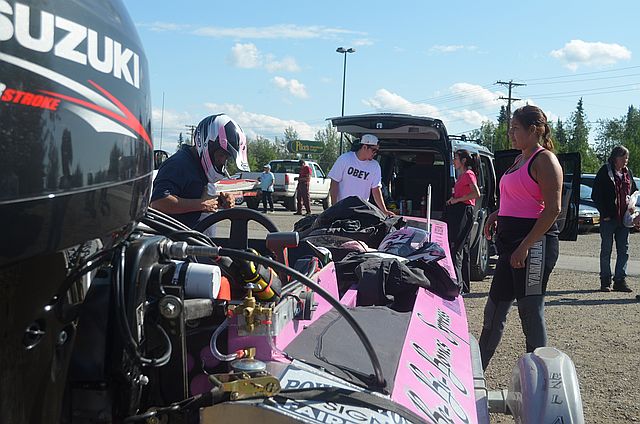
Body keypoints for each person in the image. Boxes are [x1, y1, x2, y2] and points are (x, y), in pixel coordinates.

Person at [479, 105, 563, 370]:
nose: (510, 134)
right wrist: (498, 214)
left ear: (533, 130)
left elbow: (553, 210)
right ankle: (475, 373)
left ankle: (541, 378)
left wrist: (526, 245)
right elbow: (520, 197)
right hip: (510, 244)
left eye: (515, 128)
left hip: (534, 244)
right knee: (494, 311)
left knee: (530, 313)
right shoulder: (519, 159)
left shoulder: (545, 160)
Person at [150, 114, 249, 228]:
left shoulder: (200, 166)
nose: (223, 161)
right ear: (207, 144)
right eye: (221, 155)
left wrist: (221, 200)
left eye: (226, 157)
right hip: (173, 235)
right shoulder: (178, 164)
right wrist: (201, 205)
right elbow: (159, 202)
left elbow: (196, 196)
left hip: (194, 234)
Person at [591, 146, 637, 292]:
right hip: (609, 219)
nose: (626, 160)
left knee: (624, 250)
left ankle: (620, 281)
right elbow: (596, 195)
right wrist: (604, 214)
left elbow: (634, 191)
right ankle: (605, 281)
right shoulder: (604, 172)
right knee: (606, 250)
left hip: (624, 219)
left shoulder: (628, 173)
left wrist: (632, 206)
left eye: (627, 157)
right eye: (624, 157)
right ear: (616, 158)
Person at [327, 134, 394, 216]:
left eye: (377, 151)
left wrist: (384, 211)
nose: (375, 153)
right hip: (342, 208)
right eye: (374, 150)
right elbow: (334, 184)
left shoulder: (375, 166)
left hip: (361, 210)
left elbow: (376, 190)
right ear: (364, 147)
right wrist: (334, 207)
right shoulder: (345, 159)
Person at [445, 149, 481, 294]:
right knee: (464, 249)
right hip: (459, 209)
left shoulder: (468, 174)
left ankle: (457, 285)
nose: (454, 161)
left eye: (456, 158)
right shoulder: (461, 176)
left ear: (463, 160)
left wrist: (458, 200)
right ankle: (464, 285)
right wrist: (453, 199)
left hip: (464, 211)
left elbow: (476, 193)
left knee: (457, 248)